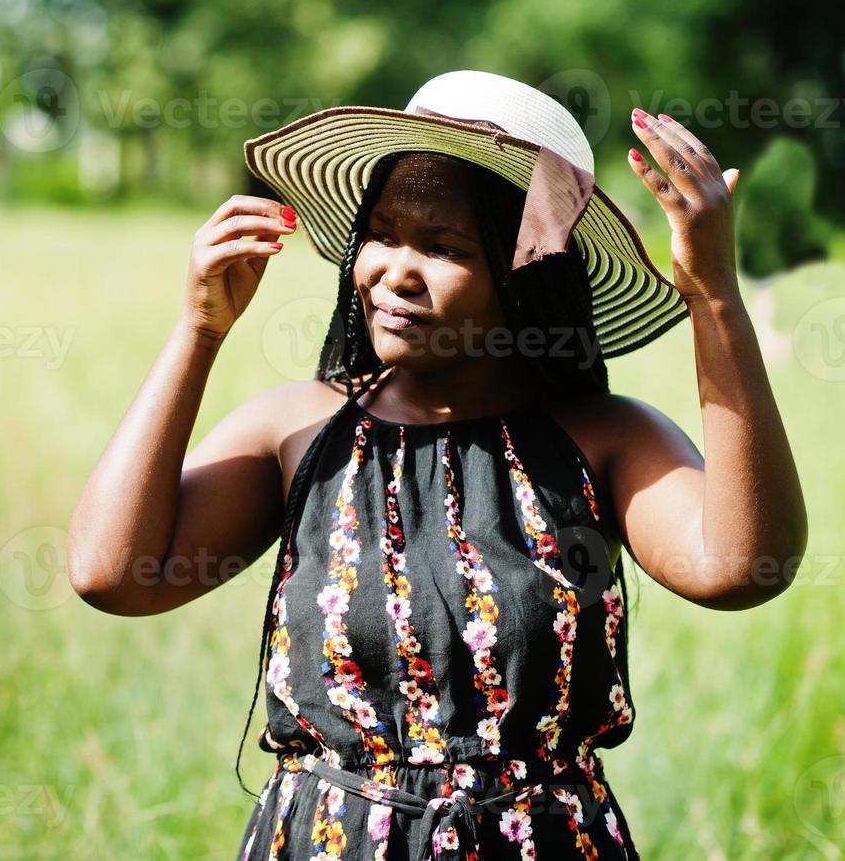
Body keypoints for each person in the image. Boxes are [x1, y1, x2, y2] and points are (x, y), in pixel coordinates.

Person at [66, 71, 807, 859]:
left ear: (528, 276)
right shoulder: (300, 432)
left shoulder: (602, 441)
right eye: (381, 233)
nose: (395, 271)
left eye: (445, 247)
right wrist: (198, 332)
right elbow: (114, 573)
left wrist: (714, 301)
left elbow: (739, 568)